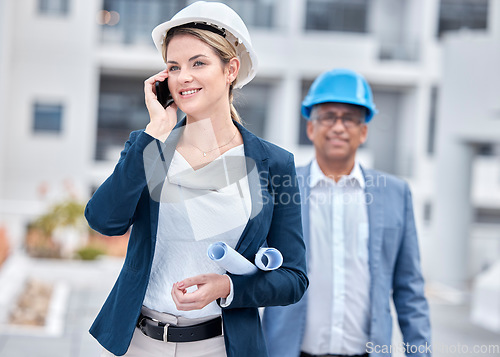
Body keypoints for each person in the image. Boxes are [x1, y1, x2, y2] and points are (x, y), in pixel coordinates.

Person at [85, 2, 308, 356]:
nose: (183, 77)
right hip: (142, 343)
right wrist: (154, 133)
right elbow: (104, 220)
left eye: (198, 63)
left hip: (221, 345)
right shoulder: (151, 148)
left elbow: (293, 279)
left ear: (231, 69)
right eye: (173, 67)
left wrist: (227, 286)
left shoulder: (274, 164)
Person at [263, 68, 432, 357]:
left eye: (350, 119)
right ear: (310, 128)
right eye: (328, 117)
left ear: (363, 130)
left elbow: (410, 290)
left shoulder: (395, 194)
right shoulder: (280, 189)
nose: (338, 127)